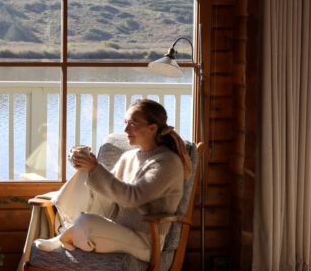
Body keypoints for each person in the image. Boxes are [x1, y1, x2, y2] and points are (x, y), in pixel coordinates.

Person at [33, 98, 192, 262]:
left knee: (87, 221)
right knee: (85, 174)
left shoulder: (167, 163)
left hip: (144, 241)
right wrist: (84, 164)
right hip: (118, 227)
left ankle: (64, 237)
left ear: (152, 128)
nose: (125, 129)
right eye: (125, 123)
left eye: (132, 124)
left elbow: (133, 197)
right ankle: (71, 231)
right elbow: (107, 190)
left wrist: (96, 168)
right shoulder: (129, 157)